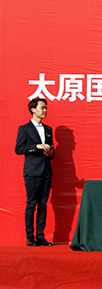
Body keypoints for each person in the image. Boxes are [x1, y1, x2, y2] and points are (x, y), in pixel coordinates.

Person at [15, 98, 54, 246]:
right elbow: (19, 149)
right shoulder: (24, 129)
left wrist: (50, 152)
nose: (45, 111)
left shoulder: (48, 129)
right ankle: (30, 237)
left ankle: (41, 236)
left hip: (46, 171)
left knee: (43, 205)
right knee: (31, 204)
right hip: (32, 171)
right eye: (42, 108)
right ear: (33, 109)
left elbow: (52, 151)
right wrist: (36, 146)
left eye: (46, 108)